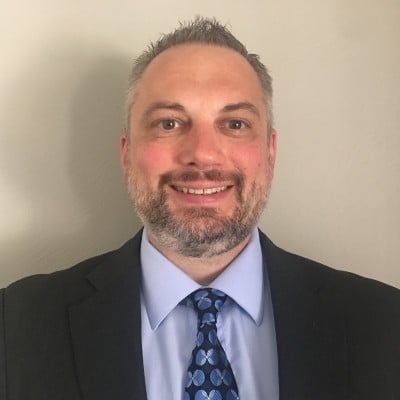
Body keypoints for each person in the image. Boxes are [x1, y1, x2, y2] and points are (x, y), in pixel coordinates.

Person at [0, 17, 399, 400]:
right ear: (126, 154)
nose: (203, 153)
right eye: (169, 123)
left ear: (270, 152)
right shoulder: (16, 327)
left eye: (235, 124)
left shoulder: (384, 323)